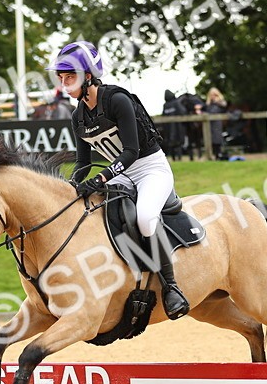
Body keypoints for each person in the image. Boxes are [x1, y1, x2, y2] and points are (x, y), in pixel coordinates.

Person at [49, 40, 189, 319]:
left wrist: (101, 177)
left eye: (70, 76)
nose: (64, 83)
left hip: (150, 169)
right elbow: (83, 163)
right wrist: (72, 187)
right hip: (121, 174)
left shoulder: (117, 100)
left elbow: (132, 151)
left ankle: (171, 287)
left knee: (145, 217)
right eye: (61, 77)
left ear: (89, 76)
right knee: (95, 214)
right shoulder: (78, 116)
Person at [160, 90, 187, 161]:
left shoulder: (165, 105)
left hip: (168, 128)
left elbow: (163, 116)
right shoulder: (176, 102)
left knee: (171, 143)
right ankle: (179, 158)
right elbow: (183, 112)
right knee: (178, 143)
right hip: (178, 127)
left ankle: (173, 159)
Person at [204, 87, 228, 160]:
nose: (213, 96)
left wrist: (217, 102)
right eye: (211, 95)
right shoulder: (209, 104)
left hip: (217, 122)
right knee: (211, 139)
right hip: (209, 123)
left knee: (217, 138)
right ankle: (214, 155)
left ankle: (218, 154)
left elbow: (224, 106)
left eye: (214, 95)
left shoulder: (220, 102)